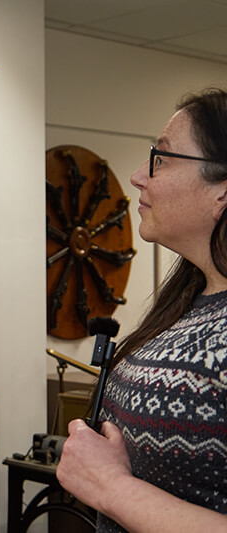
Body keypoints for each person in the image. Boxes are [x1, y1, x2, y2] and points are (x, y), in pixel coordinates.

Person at [56, 88, 227, 532]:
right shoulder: (189, 303)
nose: (137, 176)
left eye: (162, 159)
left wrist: (111, 487)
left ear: (222, 190)